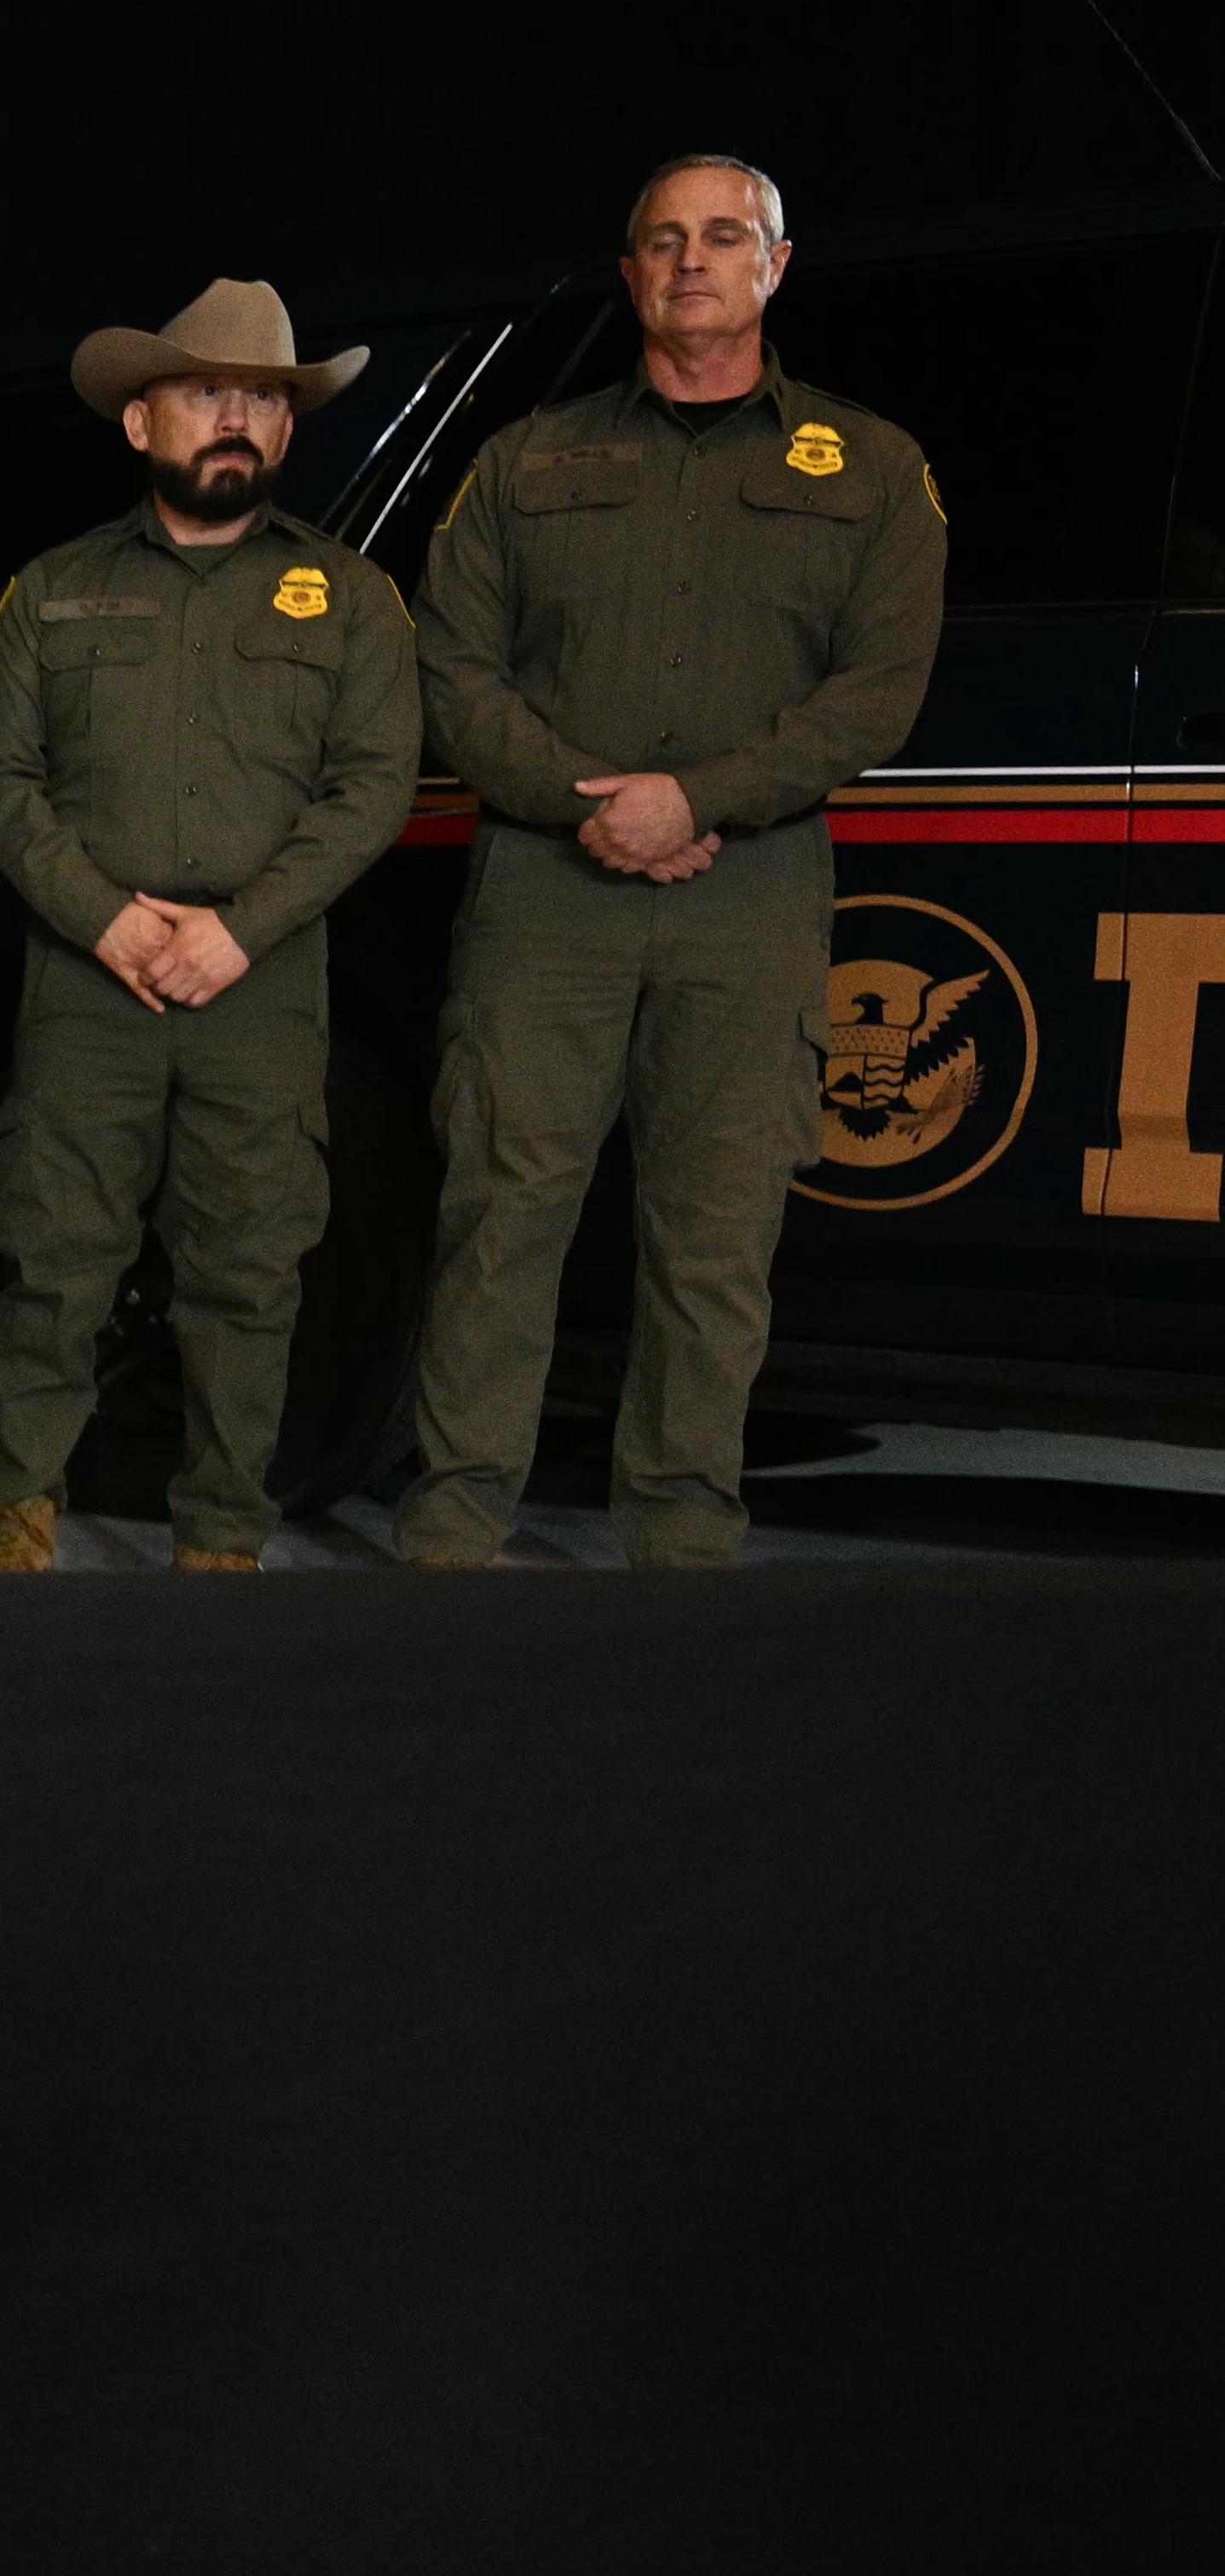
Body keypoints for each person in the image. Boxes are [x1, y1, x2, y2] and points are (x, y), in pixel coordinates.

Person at [393, 158, 945, 1568]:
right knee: (498, 1212)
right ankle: (452, 1523)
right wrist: (585, 804)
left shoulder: (871, 467)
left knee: (713, 1235)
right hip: (543, 893)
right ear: (631, 272)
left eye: (722, 236)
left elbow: (877, 692)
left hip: (748, 898)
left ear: (775, 263)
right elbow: (452, 668)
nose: (691, 259)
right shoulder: (524, 461)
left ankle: (681, 1538)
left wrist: (696, 798)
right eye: (662, 240)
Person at [0, 280, 420, 1574]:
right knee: (53, 1254)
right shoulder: (51, 592)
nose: (236, 418)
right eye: (208, 393)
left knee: (249, 1269)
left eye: (263, 400)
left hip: (258, 986)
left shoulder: (350, 600)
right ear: (140, 421)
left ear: (286, 431)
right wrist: (103, 919)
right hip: (86, 980)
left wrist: (241, 928)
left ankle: (222, 1537)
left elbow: (372, 789)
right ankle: (16, 1518)